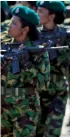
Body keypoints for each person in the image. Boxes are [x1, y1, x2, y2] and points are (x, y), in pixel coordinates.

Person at [1, 6, 50, 137]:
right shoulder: (3, 45)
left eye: (14, 24)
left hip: (24, 109)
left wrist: (27, 63)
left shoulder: (37, 51)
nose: (9, 26)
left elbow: (43, 84)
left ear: (25, 29)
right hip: (2, 107)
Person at [35, 1, 70, 137]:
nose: (37, 14)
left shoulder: (65, 35)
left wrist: (57, 53)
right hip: (38, 91)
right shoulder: (34, 35)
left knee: (52, 132)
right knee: (36, 131)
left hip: (57, 91)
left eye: (41, 11)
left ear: (51, 16)